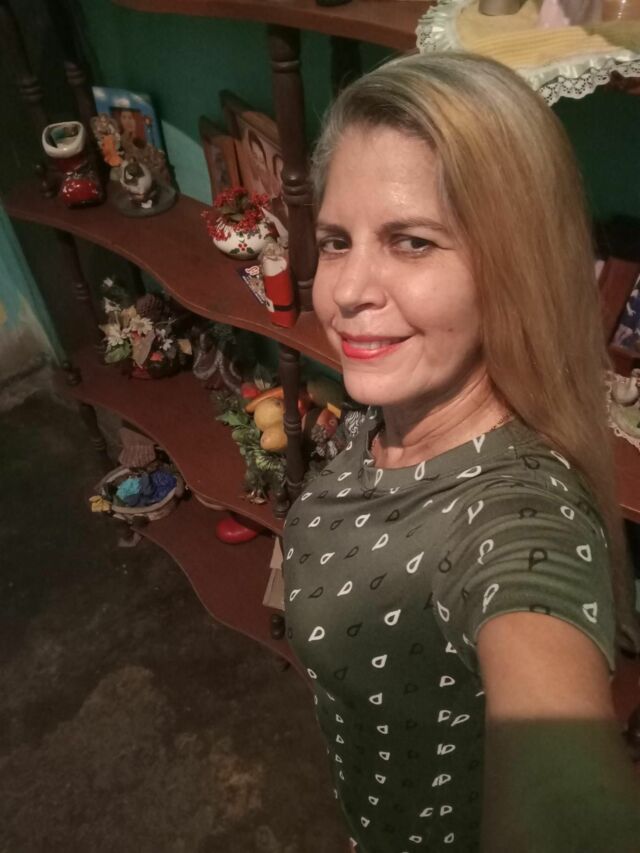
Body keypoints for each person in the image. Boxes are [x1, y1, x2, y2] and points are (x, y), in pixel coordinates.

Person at [282, 52, 640, 852]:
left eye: (411, 242)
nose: (346, 291)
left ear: (514, 265)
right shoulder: (398, 409)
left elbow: (565, 799)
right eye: (337, 240)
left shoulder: (518, 520)